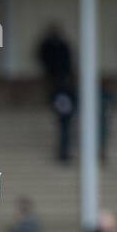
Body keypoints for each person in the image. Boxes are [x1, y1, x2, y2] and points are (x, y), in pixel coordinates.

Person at [37, 23, 74, 161]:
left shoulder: (62, 46)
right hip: (62, 106)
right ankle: (63, 153)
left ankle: (64, 153)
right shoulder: (50, 47)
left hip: (65, 111)